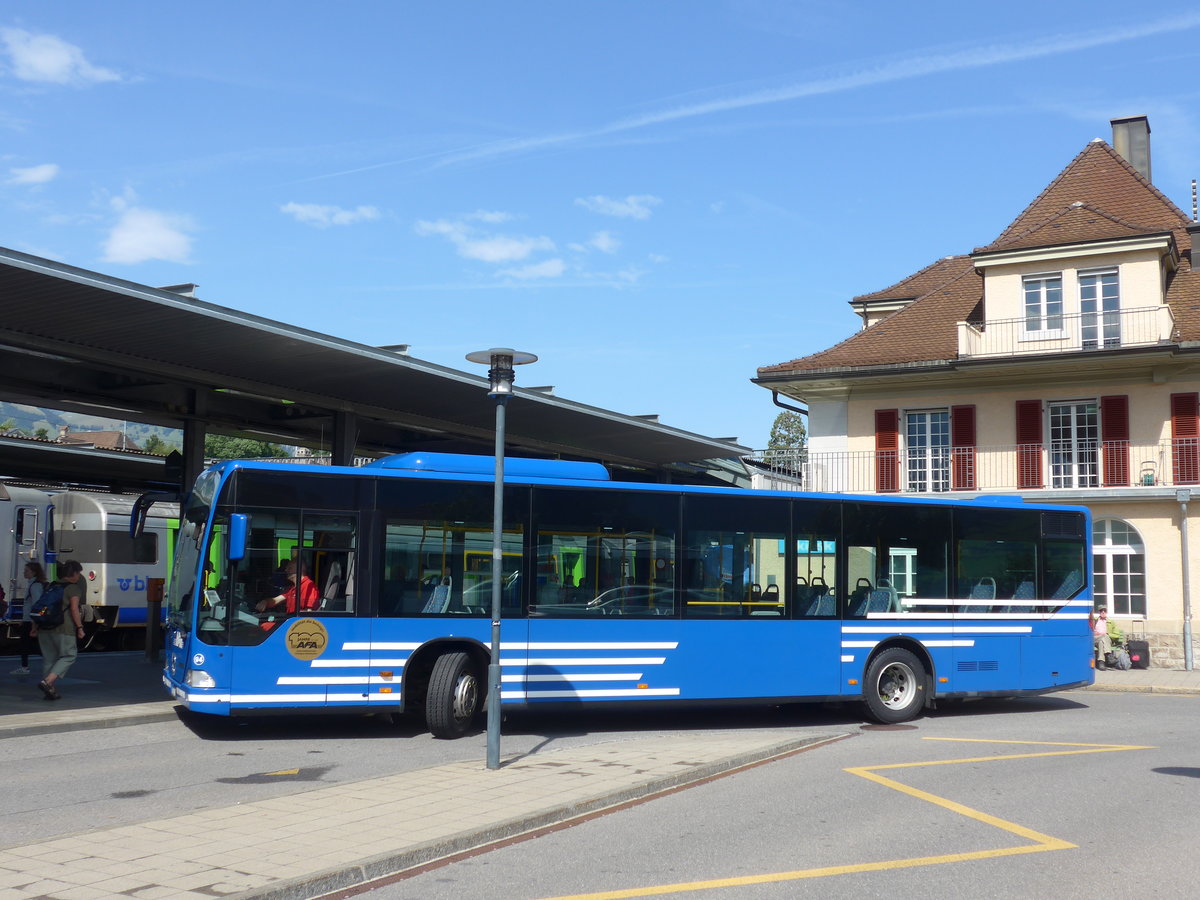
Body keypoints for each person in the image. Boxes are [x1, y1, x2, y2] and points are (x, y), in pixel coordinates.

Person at [30, 559, 86, 701]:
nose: (79, 576)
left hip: (44, 627)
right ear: (73, 573)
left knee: (49, 659)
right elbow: (74, 609)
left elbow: (40, 606)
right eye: (78, 573)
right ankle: (47, 682)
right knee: (69, 655)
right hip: (63, 628)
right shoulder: (73, 588)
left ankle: (50, 690)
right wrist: (80, 627)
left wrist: (34, 627)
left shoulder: (50, 586)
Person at [10, 562, 47, 676]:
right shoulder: (32, 584)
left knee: (28, 644)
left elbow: (36, 604)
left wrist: (34, 623)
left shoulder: (35, 586)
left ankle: (25, 667)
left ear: (34, 572)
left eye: (27, 571)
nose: (24, 572)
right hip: (28, 620)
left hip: (31, 621)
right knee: (28, 644)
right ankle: (25, 666)